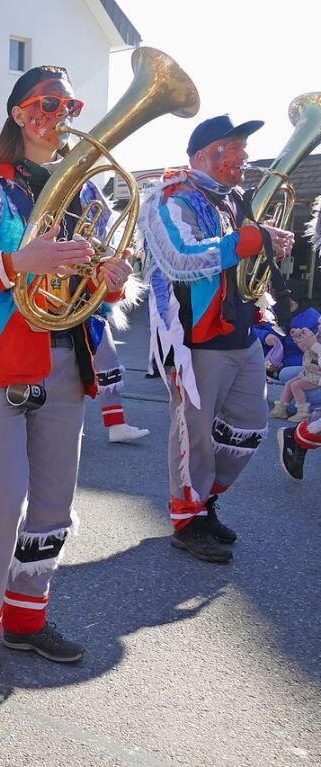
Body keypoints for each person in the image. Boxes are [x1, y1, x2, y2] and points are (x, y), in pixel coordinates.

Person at [0, 65, 134, 693]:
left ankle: (26, 617)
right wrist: (15, 262)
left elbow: (91, 276)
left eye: (69, 102)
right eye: (45, 102)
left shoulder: (88, 192)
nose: (59, 112)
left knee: (52, 506)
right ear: (18, 112)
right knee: (1, 504)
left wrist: (110, 276)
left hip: (67, 359)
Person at [141, 114, 294, 564]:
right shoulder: (170, 199)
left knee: (249, 427)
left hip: (242, 327)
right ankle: (187, 520)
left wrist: (268, 244)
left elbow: (245, 255)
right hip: (196, 335)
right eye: (235, 147)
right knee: (195, 435)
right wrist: (246, 243)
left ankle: (204, 501)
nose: (244, 156)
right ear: (204, 154)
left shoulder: (235, 199)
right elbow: (179, 260)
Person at [90, 315, 150, 443]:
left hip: (86, 313)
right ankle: (116, 426)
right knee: (108, 367)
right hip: (82, 314)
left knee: (108, 368)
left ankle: (116, 425)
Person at [270, 324, 321, 422]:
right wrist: (300, 339)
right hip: (310, 372)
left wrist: (314, 346)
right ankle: (281, 408)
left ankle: (303, 413)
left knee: (295, 388)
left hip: (317, 376)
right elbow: (308, 351)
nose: (318, 326)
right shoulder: (318, 336)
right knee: (288, 381)